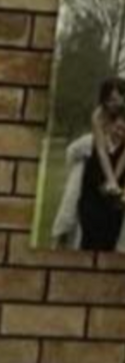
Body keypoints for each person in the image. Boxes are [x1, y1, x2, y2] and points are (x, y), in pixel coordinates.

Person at [51, 77, 125, 251]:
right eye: (110, 99)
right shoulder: (98, 116)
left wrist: (115, 181)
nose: (115, 103)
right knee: (89, 223)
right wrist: (110, 180)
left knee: (112, 226)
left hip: (119, 173)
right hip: (98, 173)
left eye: (118, 98)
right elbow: (100, 150)